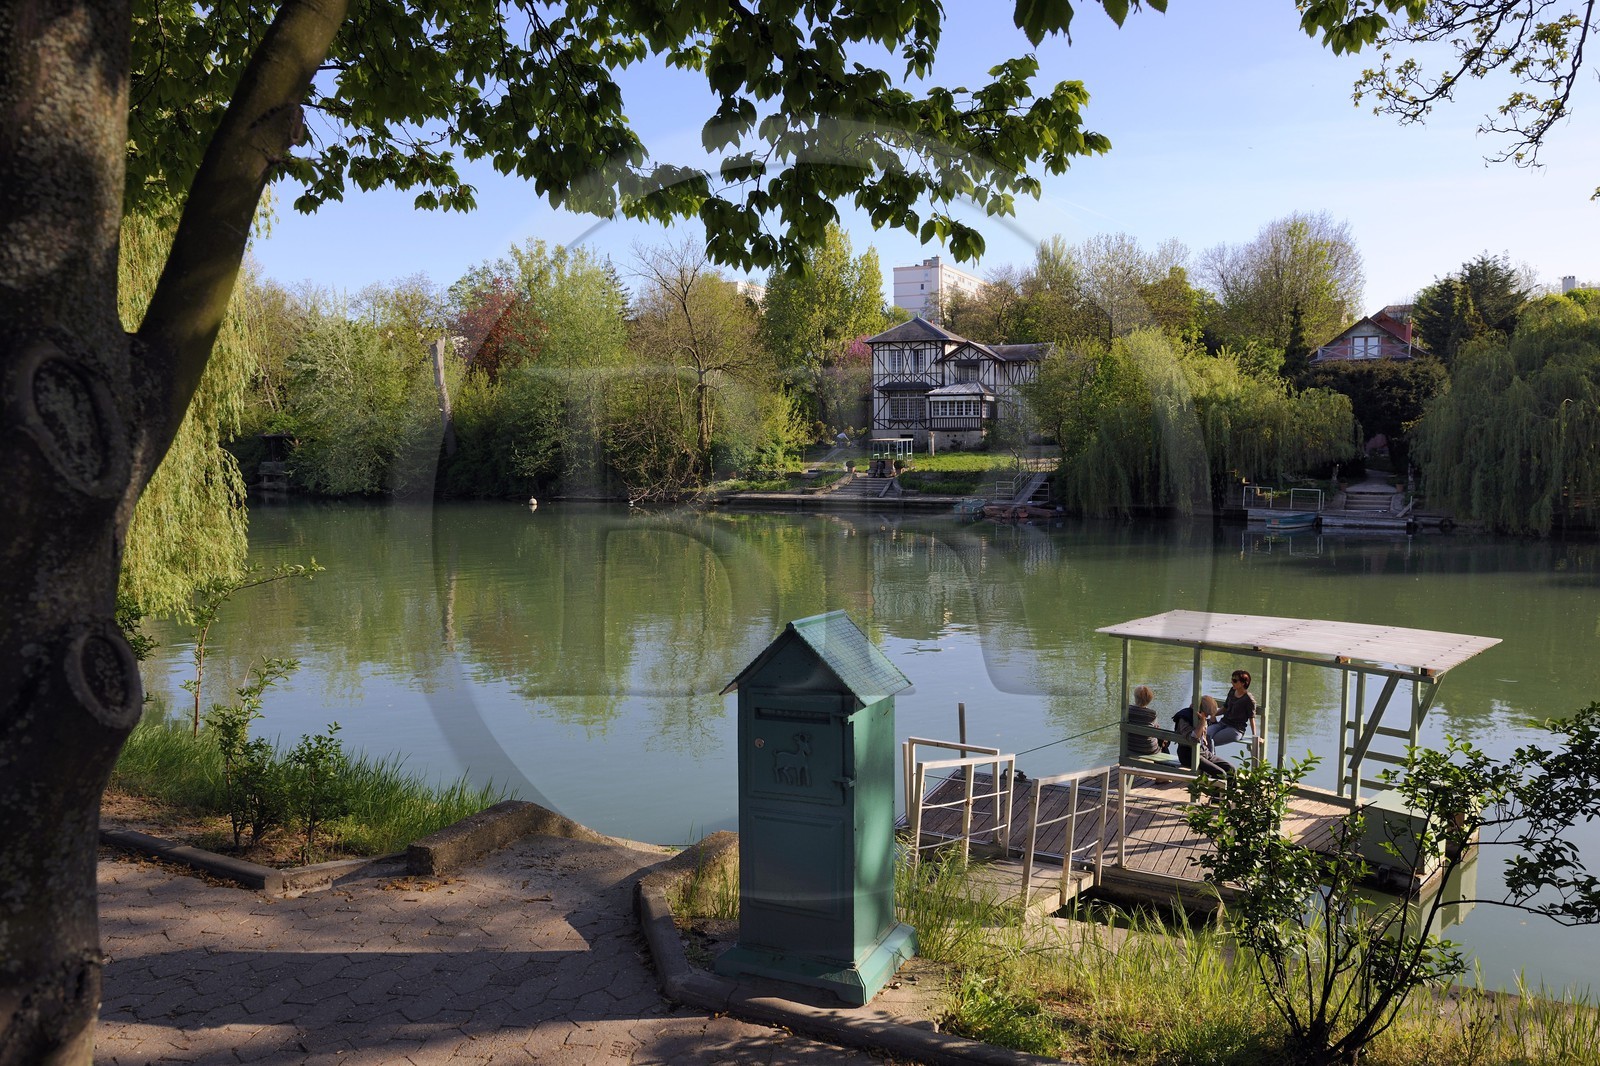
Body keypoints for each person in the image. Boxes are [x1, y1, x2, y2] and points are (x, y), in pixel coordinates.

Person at [1175, 696, 1234, 779]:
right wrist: (1202, 723)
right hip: (1188, 754)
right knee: (1220, 773)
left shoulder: (1201, 718)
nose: (1207, 716)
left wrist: (1209, 722)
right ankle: (1214, 791)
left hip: (1203, 752)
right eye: (1207, 714)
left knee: (1231, 769)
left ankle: (1230, 791)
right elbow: (1192, 739)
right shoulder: (1185, 717)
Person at [1207, 669, 1256, 747]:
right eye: (1232, 679)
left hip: (1236, 729)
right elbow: (1225, 707)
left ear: (1243, 683)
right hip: (1222, 723)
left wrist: (1255, 736)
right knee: (1205, 736)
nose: (1232, 682)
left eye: (1235, 680)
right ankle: (1205, 757)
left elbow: (1251, 717)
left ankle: (1208, 758)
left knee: (1210, 741)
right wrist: (1213, 714)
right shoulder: (1232, 691)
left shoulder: (1248, 699)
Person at [1125, 684, 1162, 757]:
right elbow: (1155, 730)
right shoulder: (1152, 714)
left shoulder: (1127, 710)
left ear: (1135, 697)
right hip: (1148, 749)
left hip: (1130, 747)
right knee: (1163, 743)